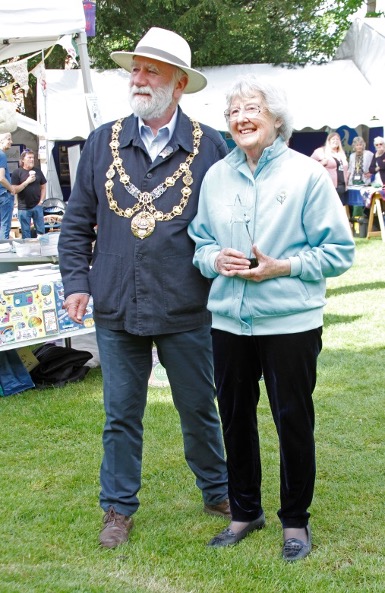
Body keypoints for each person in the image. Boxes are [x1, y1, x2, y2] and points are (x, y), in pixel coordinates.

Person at [58, 27, 229, 550]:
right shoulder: (102, 141)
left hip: (186, 302)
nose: (138, 78)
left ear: (178, 85)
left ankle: (218, 489)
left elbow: (227, 222)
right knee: (121, 413)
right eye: (135, 68)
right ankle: (117, 509)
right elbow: (76, 221)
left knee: (199, 406)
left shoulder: (210, 147)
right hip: (115, 301)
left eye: (151, 70)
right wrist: (75, 281)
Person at [188, 76, 355, 562]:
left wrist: (285, 266)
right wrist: (215, 259)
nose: (242, 117)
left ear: (276, 119)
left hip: (290, 322)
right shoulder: (217, 175)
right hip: (228, 323)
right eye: (234, 110)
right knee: (235, 418)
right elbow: (200, 243)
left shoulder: (307, 175)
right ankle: (244, 511)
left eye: (253, 108)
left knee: (292, 421)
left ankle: (295, 521)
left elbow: (340, 251)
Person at [11, 149, 47, 238]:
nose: (32, 160)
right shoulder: (17, 172)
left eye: (33, 158)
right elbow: (15, 190)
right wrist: (27, 181)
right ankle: (28, 251)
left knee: (41, 232)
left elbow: (43, 187)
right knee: (26, 233)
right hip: (23, 208)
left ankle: (42, 250)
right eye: (29, 157)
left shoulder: (38, 171)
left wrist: (41, 201)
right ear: (22, 160)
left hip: (37, 205)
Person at [311, 132, 349, 205]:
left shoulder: (341, 153)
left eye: (337, 139)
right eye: (333, 139)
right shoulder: (321, 151)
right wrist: (321, 163)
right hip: (328, 185)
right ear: (328, 141)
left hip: (341, 186)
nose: (335, 141)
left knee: (339, 208)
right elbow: (310, 164)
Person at [0, 132, 15, 240]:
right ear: (1, 141)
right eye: (9, 139)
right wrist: (11, 189)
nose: (11, 142)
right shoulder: (2, 155)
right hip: (4, 194)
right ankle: (3, 252)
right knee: (5, 224)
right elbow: (1, 178)